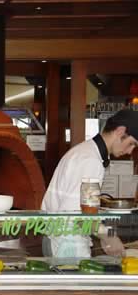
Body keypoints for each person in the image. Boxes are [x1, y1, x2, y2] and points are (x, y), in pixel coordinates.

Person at [41, 109, 138, 257]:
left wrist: (106, 236)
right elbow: (80, 215)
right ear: (120, 131)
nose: (131, 151)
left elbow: (84, 211)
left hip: (59, 241)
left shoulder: (84, 151)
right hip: (67, 246)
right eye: (131, 143)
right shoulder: (91, 161)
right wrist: (109, 236)